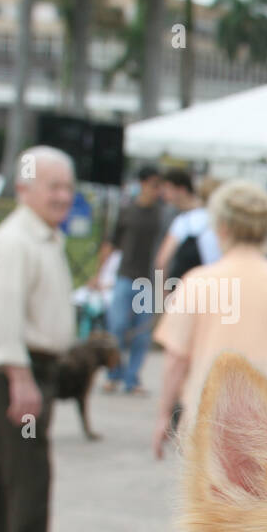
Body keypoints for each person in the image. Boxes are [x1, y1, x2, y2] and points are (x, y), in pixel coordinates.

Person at [151, 180, 267, 458]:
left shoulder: (198, 281)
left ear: (222, 228)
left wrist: (164, 414)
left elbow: (176, 358)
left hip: (208, 417)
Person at [0, 146, 78, 532]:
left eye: (67, 187)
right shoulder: (15, 241)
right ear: (24, 189)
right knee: (29, 474)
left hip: (35, 369)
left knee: (3, 469)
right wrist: (21, 379)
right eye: (53, 186)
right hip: (17, 372)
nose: (63, 196)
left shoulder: (42, 237)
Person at [93, 165, 166, 395]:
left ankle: (132, 379)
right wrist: (98, 274)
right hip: (125, 277)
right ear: (143, 184)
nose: (157, 190)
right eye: (154, 185)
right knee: (117, 327)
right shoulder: (127, 211)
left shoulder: (162, 214)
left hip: (148, 280)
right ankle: (114, 374)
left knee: (141, 333)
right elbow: (111, 244)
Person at [153, 170, 220, 283]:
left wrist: (163, 294)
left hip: (183, 287)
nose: (164, 195)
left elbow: (161, 262)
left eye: (168, 189)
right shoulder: (225, 225)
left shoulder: (185, 220)